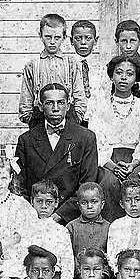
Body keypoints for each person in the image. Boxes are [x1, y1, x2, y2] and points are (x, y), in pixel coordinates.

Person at [15, 83, 99, 224]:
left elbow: (87, 185)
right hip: (35, 216)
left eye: (60, 102)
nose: (55, 108)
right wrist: (33, 213)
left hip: (71, 217)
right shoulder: (26, 140)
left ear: (68, 105)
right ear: (41, 107)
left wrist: (58, 215)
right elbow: (20, 185)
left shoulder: (85, 138)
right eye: (49, 103)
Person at [88, 55, 140, 222]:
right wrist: (112, 166)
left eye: (130, 74)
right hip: (108, 161)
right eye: (119, 72)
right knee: (108, 182)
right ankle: (110, 228)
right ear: (111, 76)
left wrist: (133, 164)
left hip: (136, 161)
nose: (124, 78)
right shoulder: (100, 107)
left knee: (138, 182)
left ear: (136, 78)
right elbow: (97, 140)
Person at [19, 13, 86, 127]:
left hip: (67, 117)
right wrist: (31, 120)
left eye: (57, 37)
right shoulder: (32, 65)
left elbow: (79, 95)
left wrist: (76, 117)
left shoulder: (71, 64)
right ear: (40, 36)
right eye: (48, 37)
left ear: (64, 37)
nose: (52, 42)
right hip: (40, 118)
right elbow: (26, 99)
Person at [14, 180, 75, 279]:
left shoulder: (61, 231)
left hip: (54, 277)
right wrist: (24, 276)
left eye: (49, 202)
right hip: (31, 277)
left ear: (56, 203)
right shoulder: (26, 228)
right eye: (39, 201)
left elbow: (67, 258)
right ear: (32, 202)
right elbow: (20, 255)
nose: (43, 206)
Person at [66, 183, 111, 279]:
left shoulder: (109, 227)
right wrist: (79, 274)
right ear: (78, 206)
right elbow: (68, 255)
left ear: (102, 204)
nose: (89, 206)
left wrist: (104, 274)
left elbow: (111, 255)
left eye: (94, 202)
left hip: (103, 277)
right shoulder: (71, 227)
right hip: (78, 277)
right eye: (84, 203)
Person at [70, 19, 103, 116]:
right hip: (73, 116)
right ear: (71, 40)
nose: (83, 42)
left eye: (88, 38)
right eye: (78, 38)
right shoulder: (67, 67)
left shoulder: (102, 69)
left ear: (95, 40)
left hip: (96, 115)